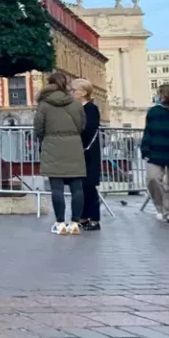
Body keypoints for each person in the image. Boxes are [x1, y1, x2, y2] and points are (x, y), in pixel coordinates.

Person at [34, 71, 86, 235]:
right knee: (77, 187)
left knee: (56, 188)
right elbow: (82, 126)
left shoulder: (44, 104)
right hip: (74, 147)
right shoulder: (76, 104)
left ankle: (60, 223)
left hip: (52, 147)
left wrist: (45, 139)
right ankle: (75, 223)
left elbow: (38, 128)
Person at [142, 84, 169, 224]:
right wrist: (145, 148)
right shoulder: (153, 112)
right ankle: (161, 207)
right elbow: (148, 131)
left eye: (160, 94)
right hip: (156, 150)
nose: (157, 96)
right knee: (152, 179)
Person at [71, 78, 102, 231]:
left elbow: (89, 129)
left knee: (89, 185)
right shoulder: (77, 108)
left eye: (74, 90)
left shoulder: (90, 108)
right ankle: (83, 217)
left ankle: (94, 218)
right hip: (79, 150)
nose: (71, 93)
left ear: (83, 92)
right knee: (81, 185)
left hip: (88, 151)